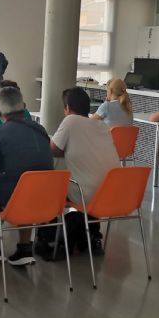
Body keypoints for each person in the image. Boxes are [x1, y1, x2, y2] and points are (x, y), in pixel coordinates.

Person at [0, 87, 53, 271]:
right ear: (24, 106)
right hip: (46, 200)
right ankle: (24, 247)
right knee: (27, 186)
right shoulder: (42, 131)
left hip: (12, 202)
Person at [50, 87, 120, 252]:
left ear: (67, 107)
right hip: (114, 193)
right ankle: (90, 234)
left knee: (51, 184)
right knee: (90, 176)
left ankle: (53, 240)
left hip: (85, 193)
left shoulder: (71, 121)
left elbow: (53, 149)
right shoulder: (102, 126)